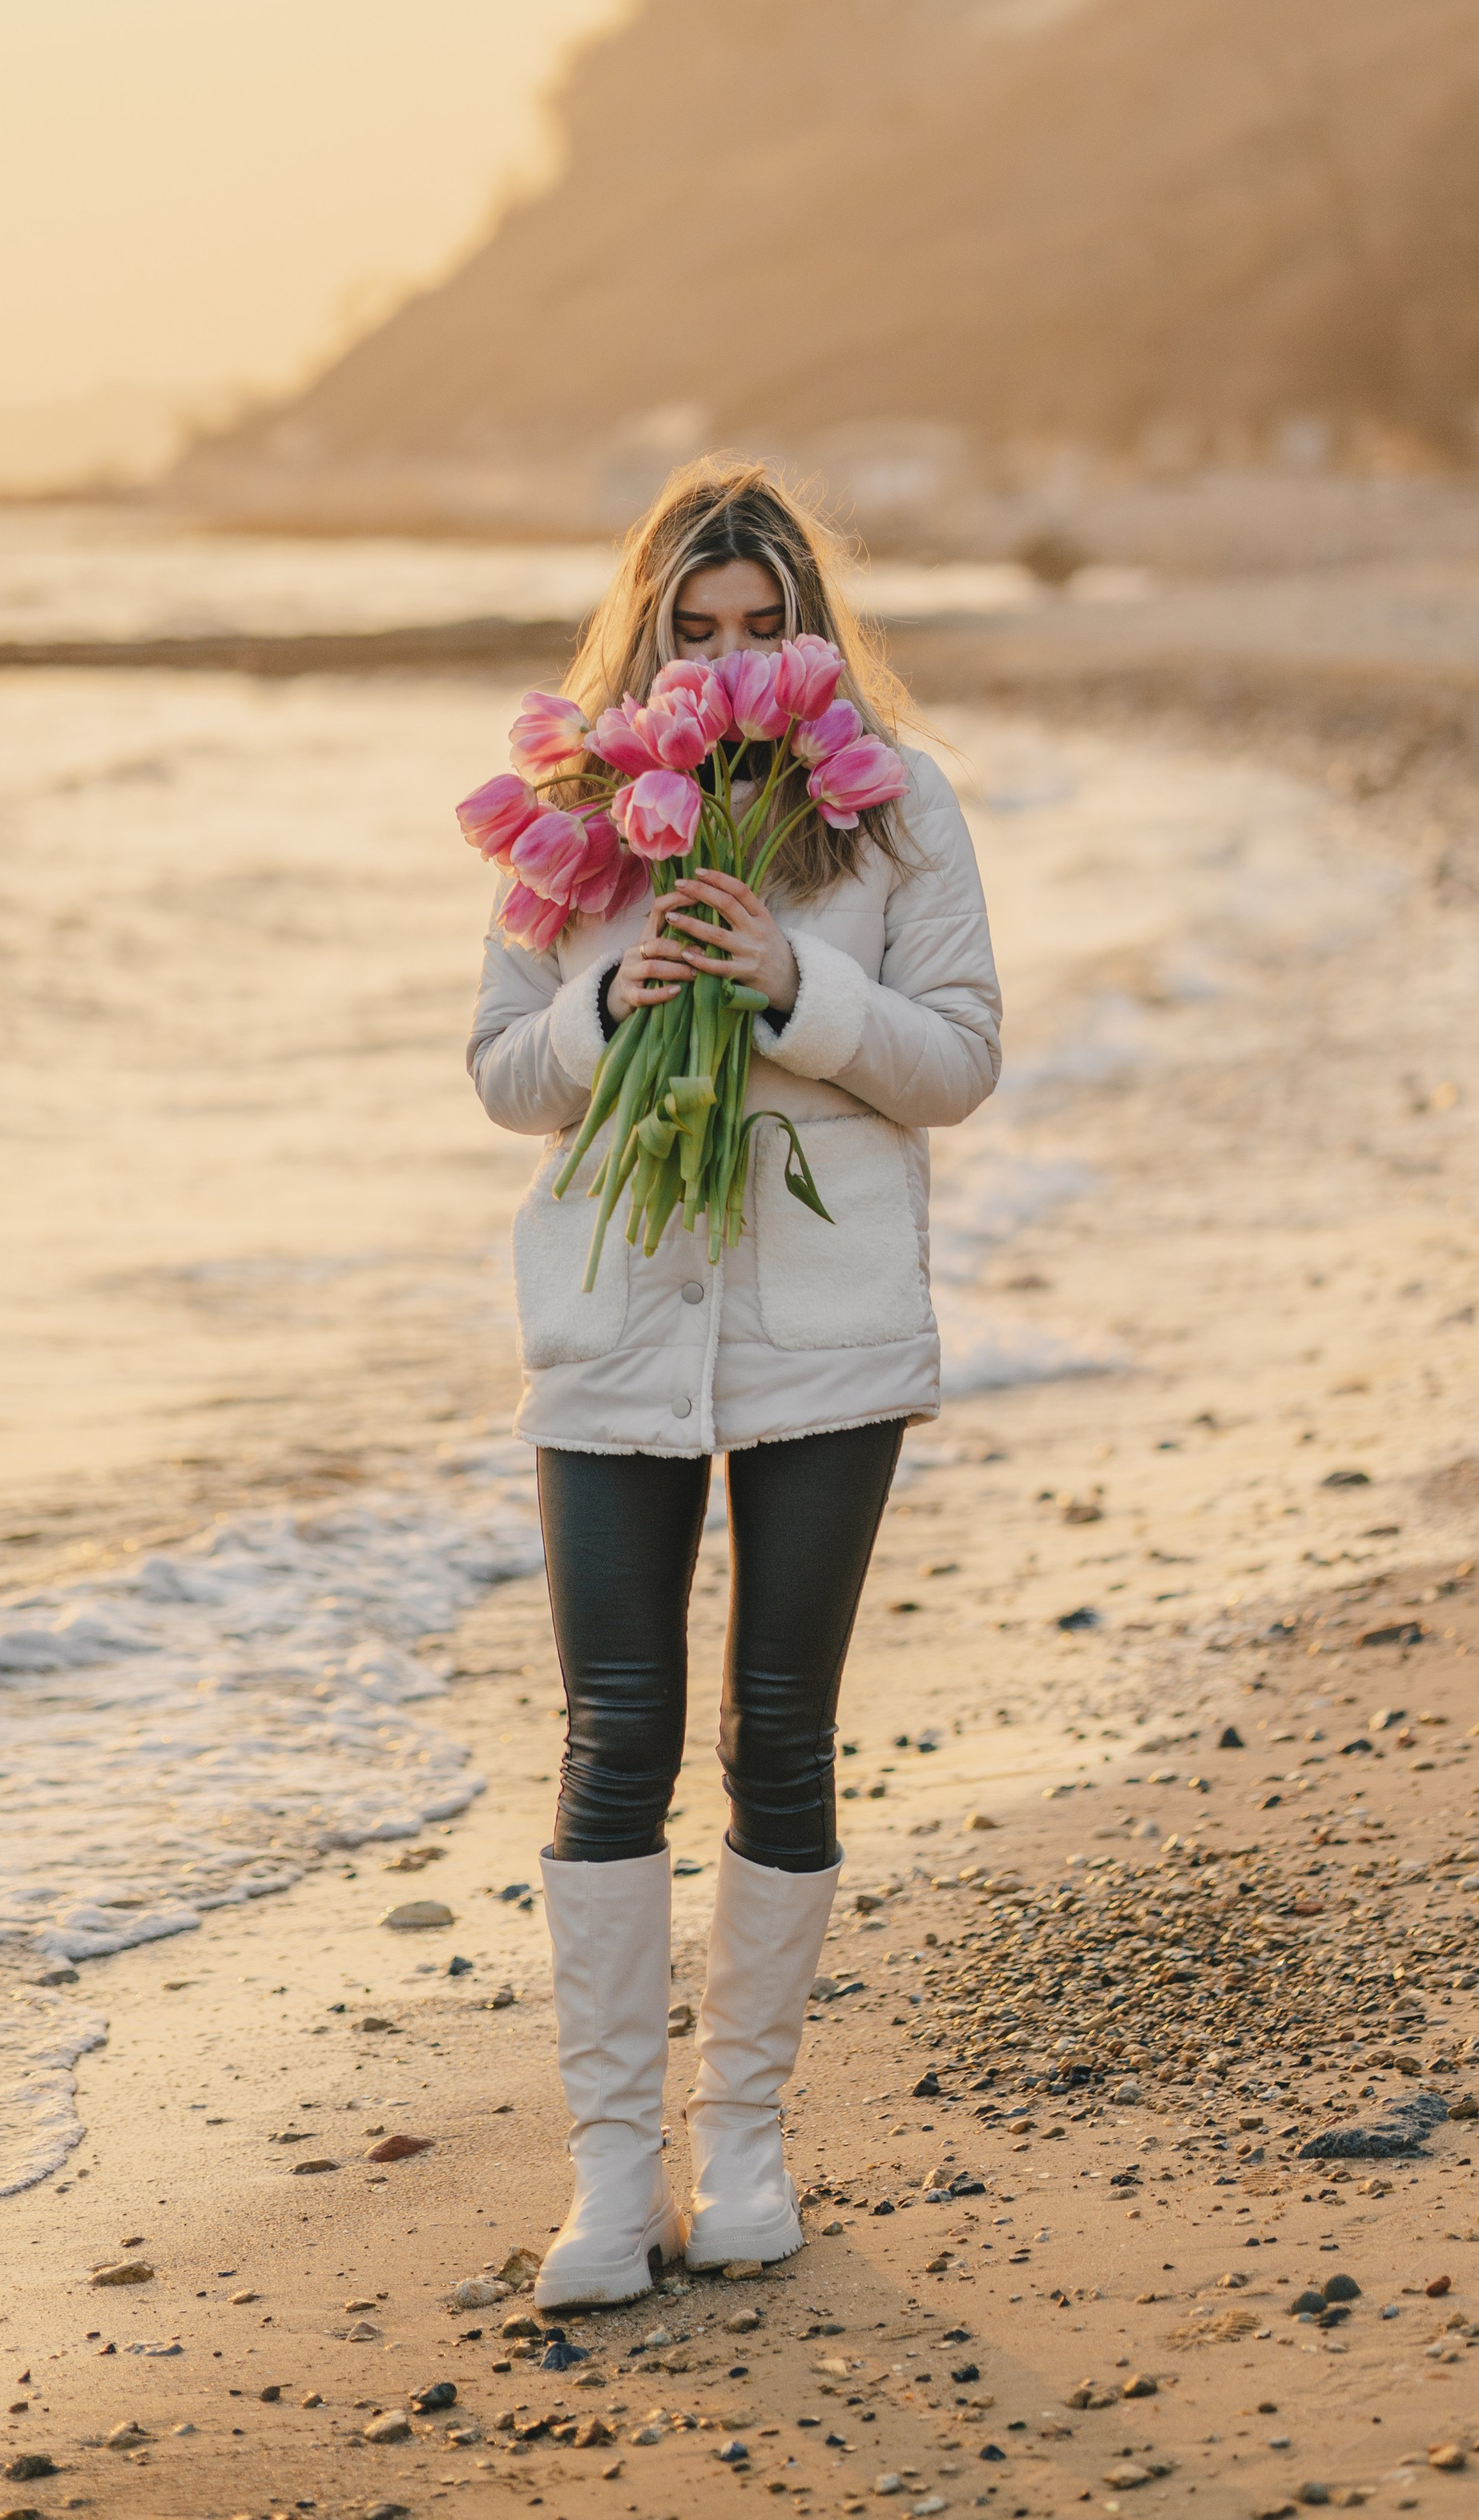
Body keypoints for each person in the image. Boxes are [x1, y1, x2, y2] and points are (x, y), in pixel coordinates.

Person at [467, 459, 1001, 2312]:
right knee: (615, 1731)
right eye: (695, 632)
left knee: (781, 1724)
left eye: (764, 629)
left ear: (811, 636)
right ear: (646, 634)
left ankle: (747, 2148)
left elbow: (958, 1065)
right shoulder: (580, 809)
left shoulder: (895, 808)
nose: (730, 661)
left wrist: (788, 983)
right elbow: (498, 1078)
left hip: (826, 1331)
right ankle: (612, 2181)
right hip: (609, 1323)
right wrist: (607, 1008)